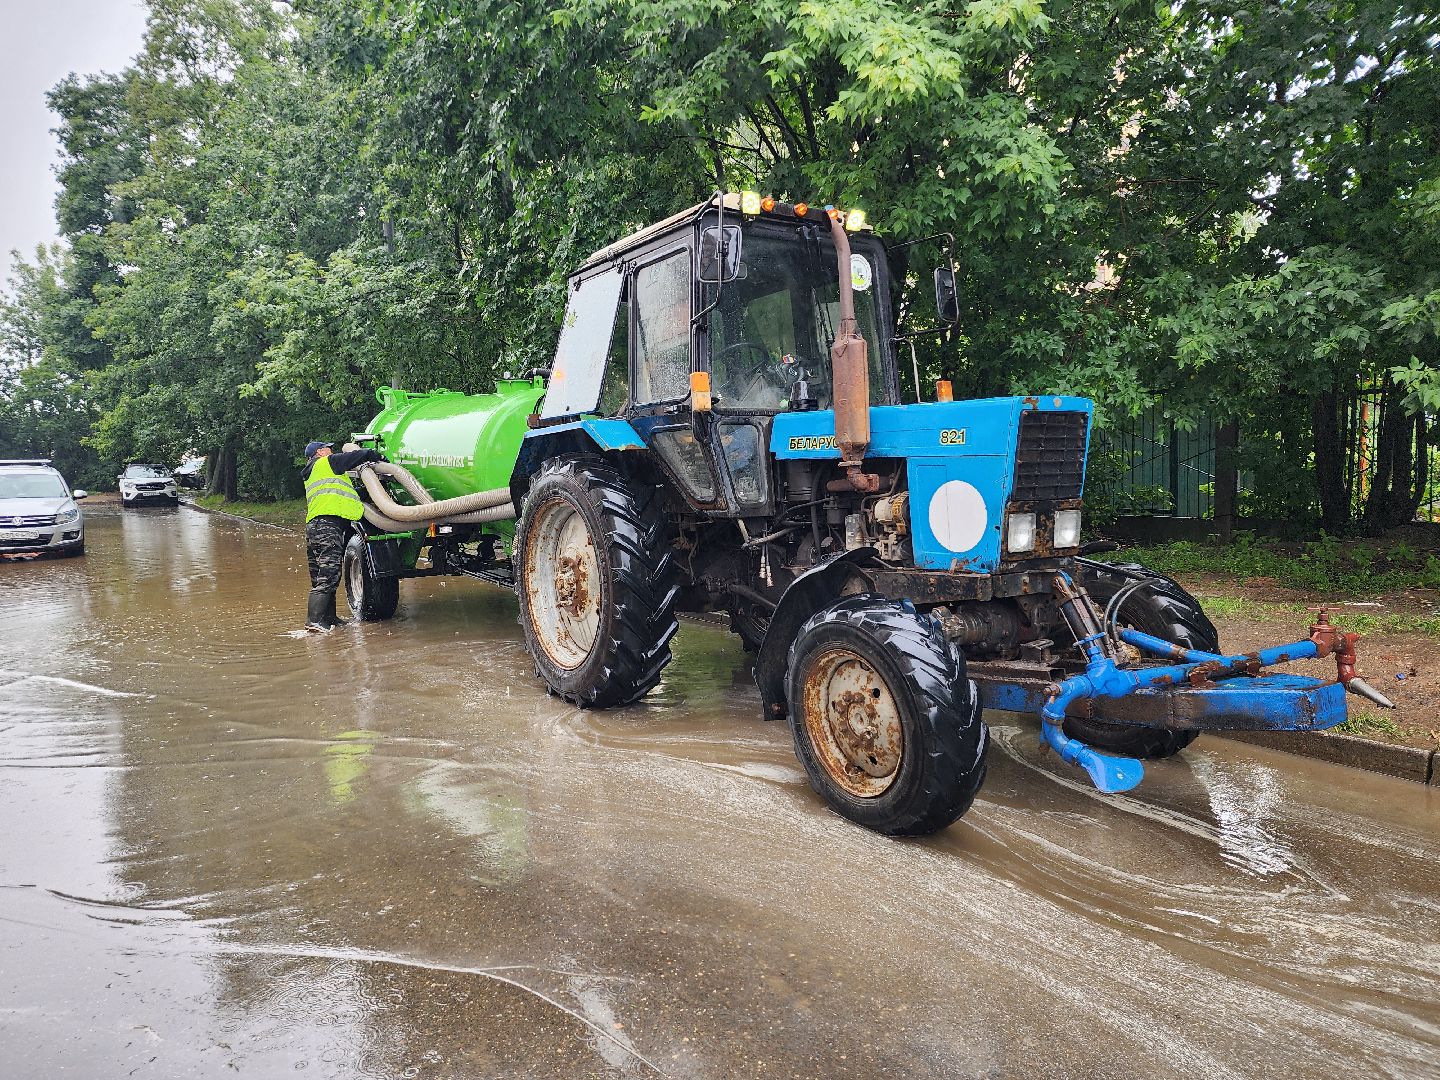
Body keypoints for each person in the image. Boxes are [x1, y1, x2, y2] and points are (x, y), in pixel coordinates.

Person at [301, 440, 383, 632]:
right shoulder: (325, 463)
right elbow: (353, 456)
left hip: (315, 526)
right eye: (328, 448)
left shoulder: (316, 472)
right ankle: (313, 622)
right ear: (320, 452)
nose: (332, 450)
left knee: (321, 573)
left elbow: (344, 494)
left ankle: (329, 618)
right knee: (329, 573)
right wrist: (373, 454)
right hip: (327, 526)